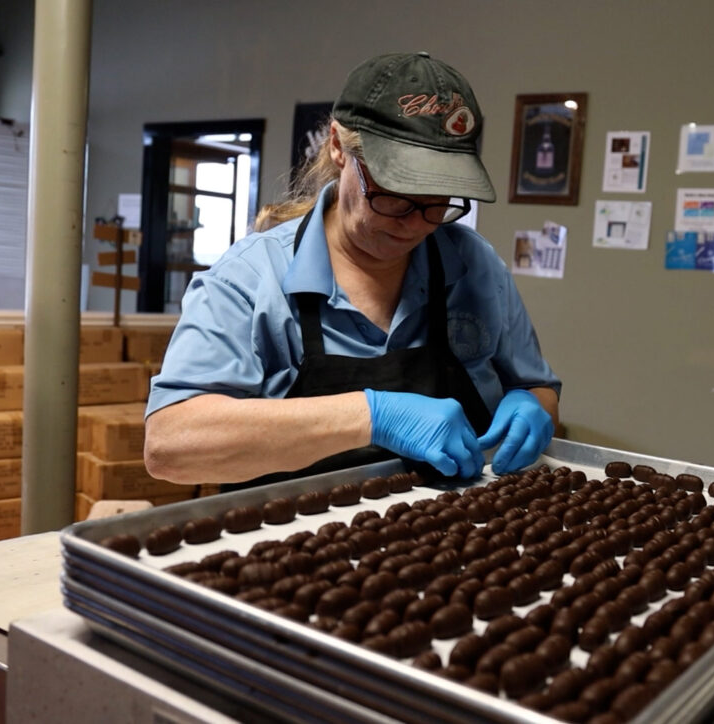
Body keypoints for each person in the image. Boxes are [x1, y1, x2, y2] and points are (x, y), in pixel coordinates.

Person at [144, 52, 561, 488]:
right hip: (290, 541)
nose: (417, 222)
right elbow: (170, 445)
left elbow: (539, 391)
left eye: (440, 201)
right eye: (395, 195)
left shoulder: (476, 266)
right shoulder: (250, 278)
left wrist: (532, 406)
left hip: (456, 530)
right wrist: (371, 416)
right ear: (339, 146)